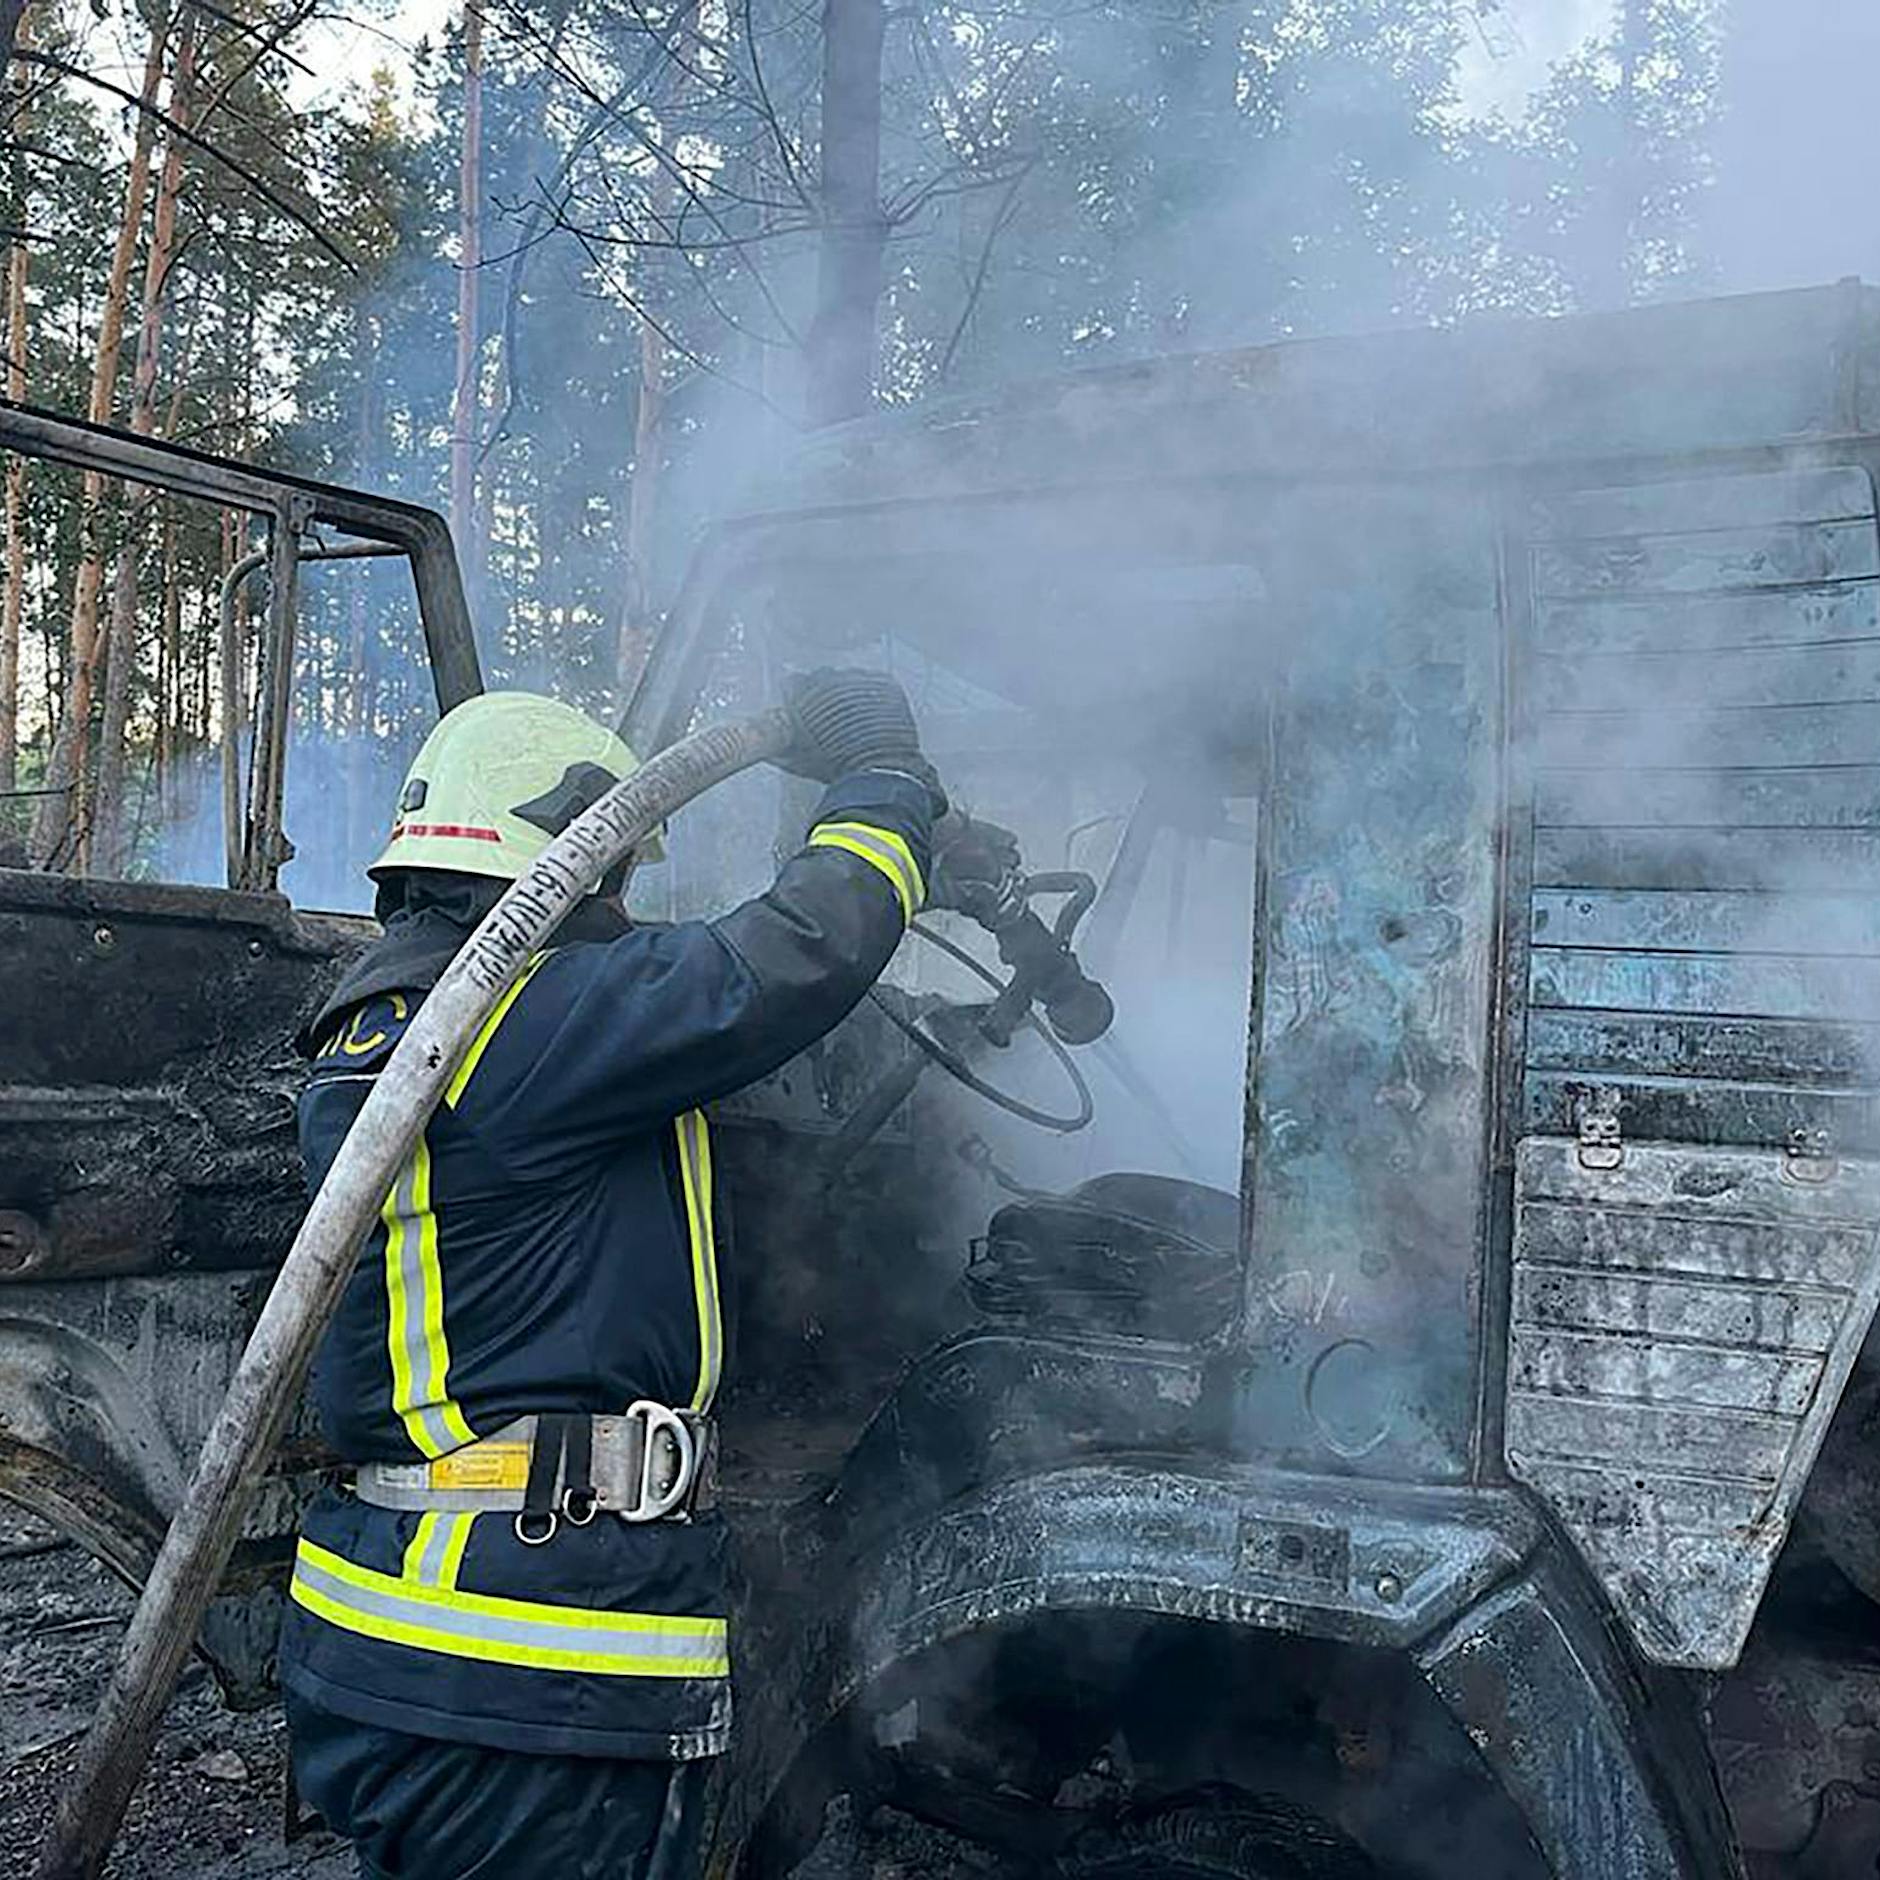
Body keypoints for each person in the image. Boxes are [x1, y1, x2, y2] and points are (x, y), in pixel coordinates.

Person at [279, 672, 949, 1880]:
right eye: (618, 875)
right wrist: (885, 787)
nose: (625, 904)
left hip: (434, 1639)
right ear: (561, 852)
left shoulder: (399, 1022)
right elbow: (794, 951)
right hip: (515, 1654)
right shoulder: (514, 1025)